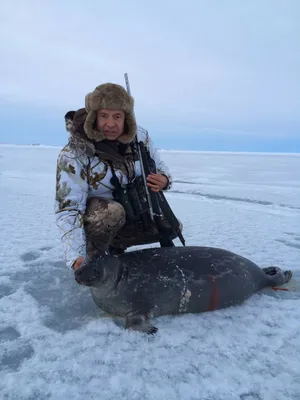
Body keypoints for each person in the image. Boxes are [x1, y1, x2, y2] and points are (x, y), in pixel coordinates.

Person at [55, 82, 182, 279]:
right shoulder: (74, 153)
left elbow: (160, 165)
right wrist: (75, 256)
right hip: (99, 220)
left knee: (172, 225)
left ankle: (118, 249)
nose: (111, 124)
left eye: (117, 116)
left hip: (130, 213)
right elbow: (68, 208)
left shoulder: (140, 138)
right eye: (104, 116)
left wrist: (165, 179)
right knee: (112, 213)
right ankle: (94, 260)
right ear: (94, 116)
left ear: (126, 118)